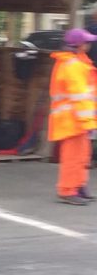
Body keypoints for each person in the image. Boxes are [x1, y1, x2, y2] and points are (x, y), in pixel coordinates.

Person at [49, 27, 97, 205]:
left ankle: (78, 185)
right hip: (72, 119)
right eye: (86, 42)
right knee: (73, 157)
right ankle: (67, 190)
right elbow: (80, 95)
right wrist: (88, 120)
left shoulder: (78, 62)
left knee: (82, 155)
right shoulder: (73, 66)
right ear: (79, 45)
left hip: (76, 119)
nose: (89, 44)